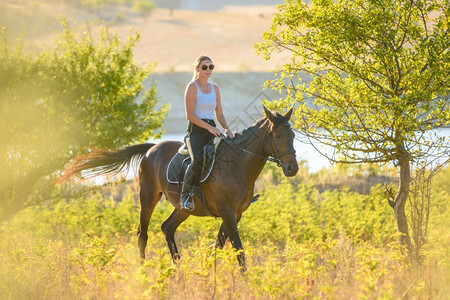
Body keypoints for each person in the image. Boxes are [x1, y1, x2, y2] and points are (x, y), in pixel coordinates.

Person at [180, 55, 234, 211]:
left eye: (211, 67)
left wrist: (227, 128)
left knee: (230, 155)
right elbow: (190, 115)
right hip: (196, 131)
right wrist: (209, 128)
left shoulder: (215, 89)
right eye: (204, 67)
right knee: (196, 160)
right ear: (197, 69)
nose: (208, 70)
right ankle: (185, 197)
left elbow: (219, 114)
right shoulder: (192, 87)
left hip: (213, 130)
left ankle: (235, 194)